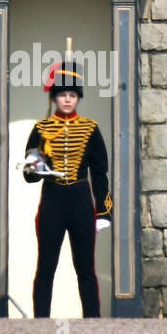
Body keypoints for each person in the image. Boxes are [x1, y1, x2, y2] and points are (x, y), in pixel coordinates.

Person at [22, 61, 112, 318]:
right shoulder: (41, 128)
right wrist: (34, 168)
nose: (68, 99)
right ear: (55, 97)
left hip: (80, 200)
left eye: (72, 95)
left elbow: (99, 172)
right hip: (52, 199)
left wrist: (104, 211)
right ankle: (40, 322)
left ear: (78, 98)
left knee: (85, 268)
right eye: (63, 94)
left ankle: (93, 322)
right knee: (46, 267)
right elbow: (29, 176)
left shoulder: (90, 129)